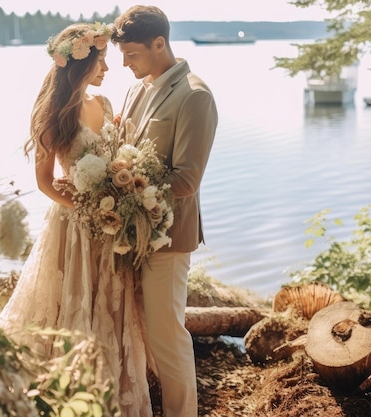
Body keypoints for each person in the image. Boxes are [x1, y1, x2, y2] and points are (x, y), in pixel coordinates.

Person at [0, 22, 154, 416]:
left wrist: (116, 202)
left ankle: (108, 392)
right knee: (71, 302)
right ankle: (63, 388)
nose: (108, 69)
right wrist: (84, 208)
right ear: (80, 65)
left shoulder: (106, 106)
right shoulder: (53, 115)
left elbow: (118, 156)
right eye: (101, 61)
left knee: (112, 301)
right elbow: (45, 183)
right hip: (74, 226)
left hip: (111, 223)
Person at [111, 5, 219, 417]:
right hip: (129, 234)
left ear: (160, 43)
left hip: (170, 236)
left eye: (133, 54)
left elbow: (187, 181)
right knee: (139, 333)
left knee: (166, 336)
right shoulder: (136, 89)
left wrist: (122, 186)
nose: (125, 65)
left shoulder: (195, 96)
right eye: (122, 56)